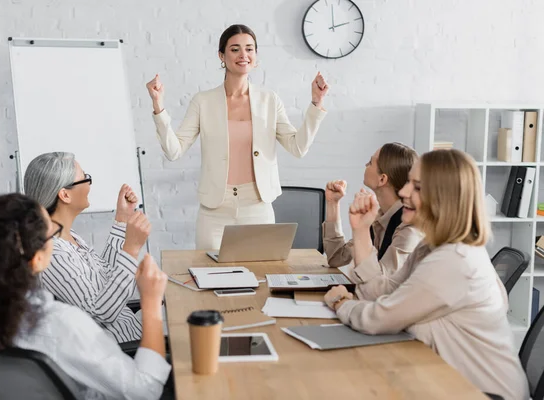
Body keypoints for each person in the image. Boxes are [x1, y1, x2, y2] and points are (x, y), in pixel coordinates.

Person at [324, 149, 528, 400]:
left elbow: (378, 317)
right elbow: (379, 290)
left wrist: (340, 303)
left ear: (444, 199)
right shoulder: (431, 247)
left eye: (417, 187)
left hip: (483, 394)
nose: (403, 192)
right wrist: (361, 229)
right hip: (445, 380)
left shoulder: (454, 260)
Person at [0, 193, 170, 399]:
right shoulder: (60, 324)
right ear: (37, 259)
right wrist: (150, 304)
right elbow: (146, 391)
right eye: (52, 232)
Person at [146, 24, 329, 250]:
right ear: (221, 56)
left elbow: (297, 147)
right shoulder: (203, 101)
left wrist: (316, 103)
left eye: (249, 49)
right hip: (214, 211)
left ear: (256, 56)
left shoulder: (269, 100)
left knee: (261, 279)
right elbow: (174, 151)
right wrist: (159, 107)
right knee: (210, 277)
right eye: (235, 49)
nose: (243, 55)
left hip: (257, 208)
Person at [24, 152, 150, 343]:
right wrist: (131, 249)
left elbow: (105, 278)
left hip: (132, 338)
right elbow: (100, 313)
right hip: (120, 354)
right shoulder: (53, 254)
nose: (89, 184)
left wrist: (121, 219)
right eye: (85, 179)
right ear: (65, 195)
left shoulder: (69, 237)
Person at [323, 143, 422, 284]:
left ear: (382, 179)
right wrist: (333, 203)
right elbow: (337, 258)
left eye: (370, 162)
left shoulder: (409, 228)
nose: (365, 165)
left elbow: (379, 285)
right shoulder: (378, 217)